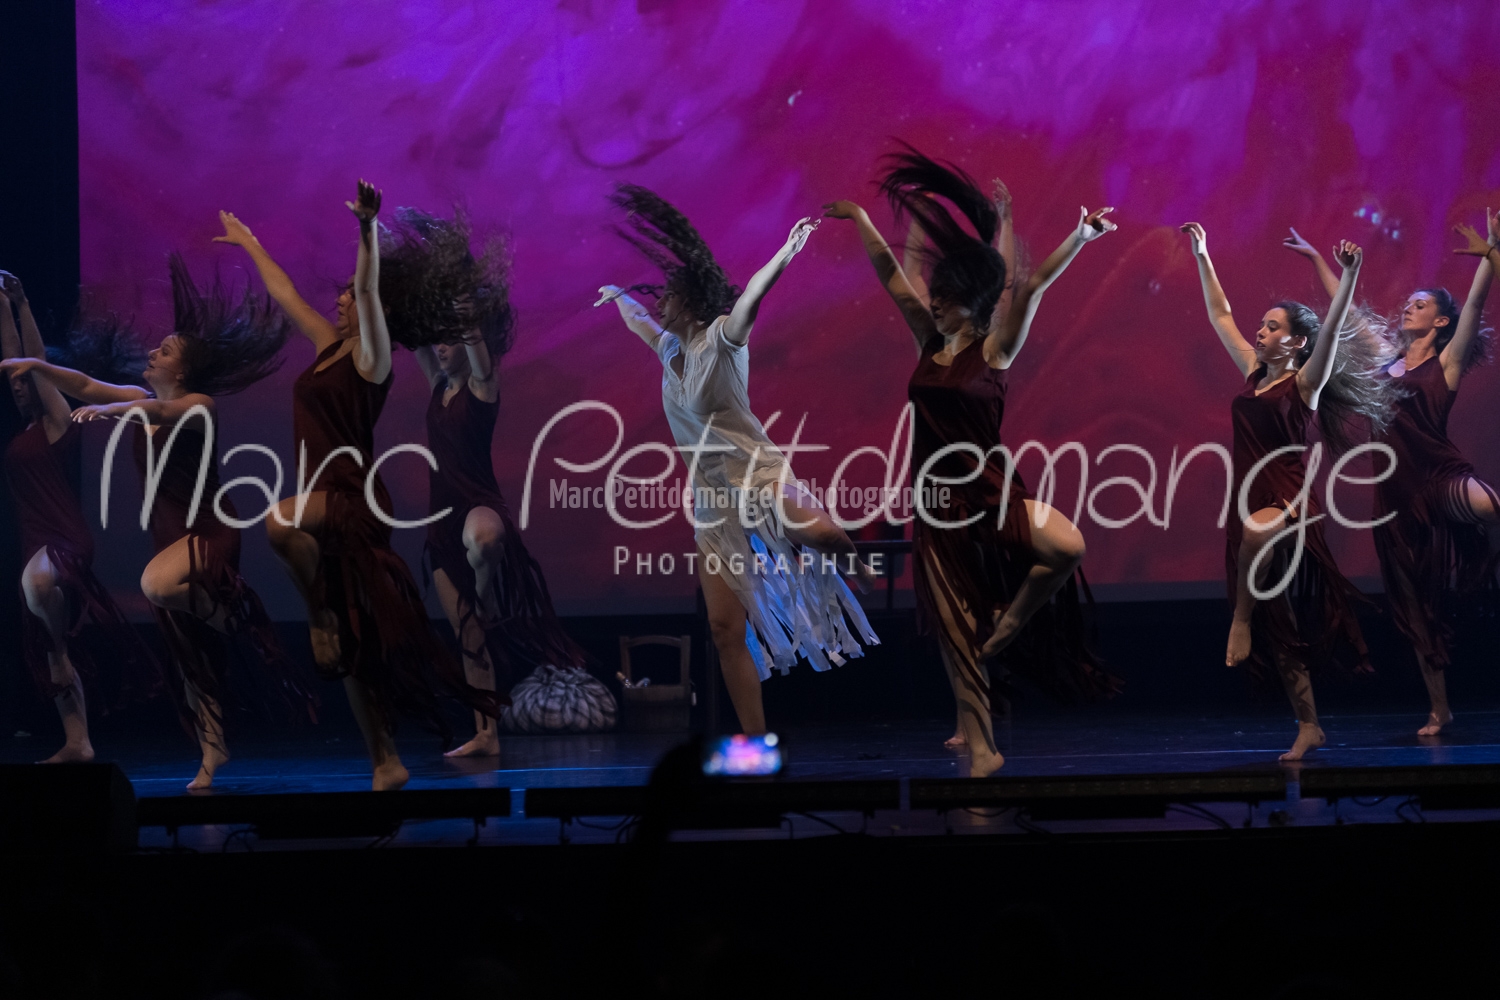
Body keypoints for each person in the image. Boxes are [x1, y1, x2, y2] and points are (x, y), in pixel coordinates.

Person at [824, 146, 1119, 777]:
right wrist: (862, 219)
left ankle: (1010, 623)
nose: (933, 301)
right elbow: (890, 275)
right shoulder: (927, 339)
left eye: (947, 296)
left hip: (989, 490)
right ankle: (983, 747)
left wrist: (1081, 236)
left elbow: (1031, 287)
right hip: (937, 505)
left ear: (974, 302)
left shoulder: (994, 350)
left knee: (1066, 547)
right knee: (956, 633)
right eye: (935, 293)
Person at [215, 182, 497, 790]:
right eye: (340, 296)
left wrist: (367, 230)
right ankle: (385, 759)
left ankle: (317, 613)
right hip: (321, 497)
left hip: (351, 499)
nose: (341, 300)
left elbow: (369, 289)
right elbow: (285, 294)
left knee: (279, 522)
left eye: (348, 296)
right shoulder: (326, 346)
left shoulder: (372, 360)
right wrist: (251, 244)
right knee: (352, 642)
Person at [4, 256, 313, 788]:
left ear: (183, 372)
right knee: (187, 649)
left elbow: (159, 415)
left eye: (164, 351)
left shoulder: (199, 405)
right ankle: (213, 750)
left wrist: (110, 413)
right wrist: (37, 366)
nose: (152, 353)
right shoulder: (137, 398)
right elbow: (86, 384)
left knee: (155, 584)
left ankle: (236, 619)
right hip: (168, 534)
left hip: (209, 529)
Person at [597, 184, 878, 736]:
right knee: (725, 630)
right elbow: (639, 322)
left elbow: (752, 295)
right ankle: (756, 740)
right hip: (714, 505)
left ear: (692, 303)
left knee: (822, 534)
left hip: (759, 476)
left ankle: (857, 566)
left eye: (670, 295)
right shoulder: (670, 350)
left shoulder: (723, 341)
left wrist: (787, 252)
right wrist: (618, 296)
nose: (661, 302)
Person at [1184, 223, 1393, 760]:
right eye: (1262, 325)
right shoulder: (1254, 373)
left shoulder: (1305, 383)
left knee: (1258, 540)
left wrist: (1349, 276)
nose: (1259, 332)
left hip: (1290, 499)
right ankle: (1309, 724)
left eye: (1271, 327)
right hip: (1247, 497)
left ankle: (1239, 621)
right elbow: (1220, 315)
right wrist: (1204, 254)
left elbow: (1332, 331)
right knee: (1280, 619)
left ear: (1296, 342)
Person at [385, 207, 587, 758]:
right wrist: (387, 258)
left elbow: (474, 346)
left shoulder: (482, 385)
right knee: (469, 635)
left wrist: (467, 310)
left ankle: (487, 586)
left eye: (452, 340)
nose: (443, 346)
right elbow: (413, 334)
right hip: (441, 520)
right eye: (441, 340)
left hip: (479, 503)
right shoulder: (437, 384)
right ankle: (486, 735)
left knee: (485, 538)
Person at [1285, 212, 1498, 736]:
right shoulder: (1385, 363)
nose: (1409, 307)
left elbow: (1474, 305)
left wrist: (1491, 255)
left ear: (1441, 324)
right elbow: (1350, 315)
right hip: (1396, 497)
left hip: (1439, 477)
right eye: (1410, 303)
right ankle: (1440, 709)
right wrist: (1319, 261)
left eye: (1421, 305)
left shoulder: (1445, 365)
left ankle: (1480, 561)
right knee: (1415, 607)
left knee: (1490, 507)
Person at [1, 273, 153, 763]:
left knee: (38, 590)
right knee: (47, 641)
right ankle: (78, 741)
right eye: (14, 385)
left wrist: (23, 304)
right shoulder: (27, 427)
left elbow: (32, 361)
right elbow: (13, 361)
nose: (18, 387)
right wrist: (1, 303)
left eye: (27, 383)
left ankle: (61, 645)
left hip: (64, 537)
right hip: (35, 540)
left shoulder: (56, 424)